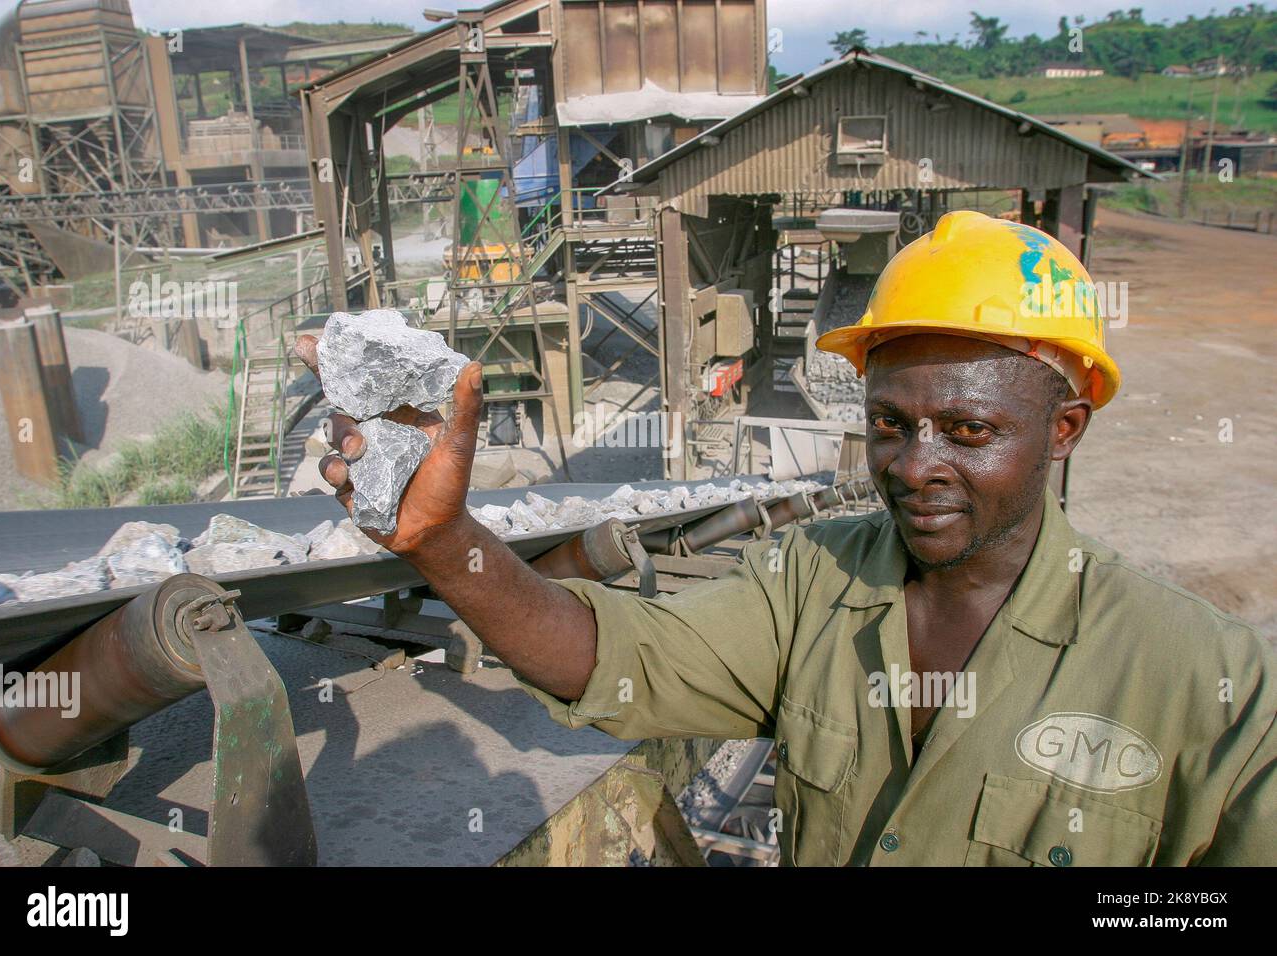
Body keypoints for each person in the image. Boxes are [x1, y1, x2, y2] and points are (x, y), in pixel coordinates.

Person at [294, 211, 1274, 866]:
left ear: (1063, 430)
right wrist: (447, 542)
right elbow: (621, 660)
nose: (915, 463)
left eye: (970, 431)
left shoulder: (1205, 675)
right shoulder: (810, 576)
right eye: (890, 422)